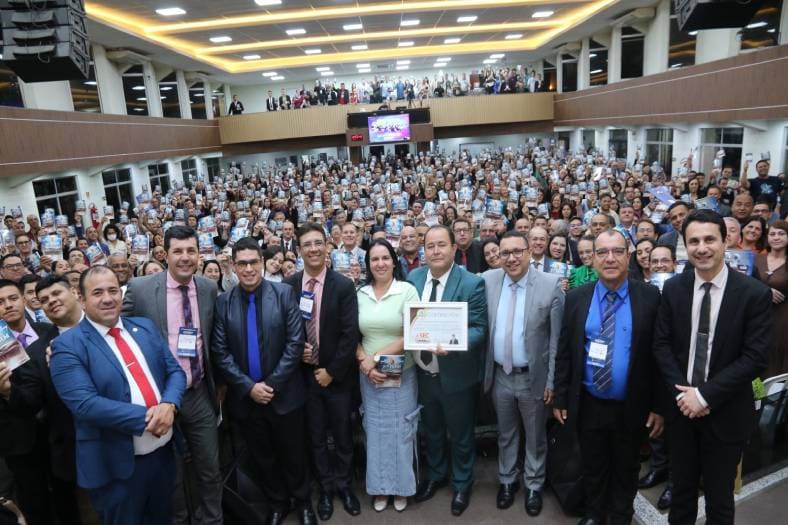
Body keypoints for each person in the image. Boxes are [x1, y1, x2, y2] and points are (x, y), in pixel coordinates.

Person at [653, 209, 774, 525]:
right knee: (681, 498)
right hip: (681, 413)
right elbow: (662, 345)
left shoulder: (753, 294)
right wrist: (684, 396)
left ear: (725, 242)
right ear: (685, 246)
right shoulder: (674, 288)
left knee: (720, 503)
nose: (701, 248)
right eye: (693, 241)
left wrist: (704, 396)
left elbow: (755, 358)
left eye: (709, 239)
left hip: (727, 414)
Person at [50, 266, 186, 525]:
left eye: (113, 290)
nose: (108, 298)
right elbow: (85, 405)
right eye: (97, 292)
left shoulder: (144, 327)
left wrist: (169, 404)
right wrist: (151, 417)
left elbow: (175, 373)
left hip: (163, 455)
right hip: (116, 467)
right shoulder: (67, 346)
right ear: (82, 298)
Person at [553, 230, 665, 525]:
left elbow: (660, 356)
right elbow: (565, 351)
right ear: (592, 259)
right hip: (589, 401)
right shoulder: (577, 298)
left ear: (628, 256)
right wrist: (561, 396)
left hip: (633, 403)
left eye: (617, 251)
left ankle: (620, 516)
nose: (610, 258)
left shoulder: (651, 297)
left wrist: (659, 406)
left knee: (626, 468)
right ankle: (594, 513)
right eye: (602, 252)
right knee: (593, 464)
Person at [122, 226, 223, 525]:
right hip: (158, 398)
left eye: (191, 251)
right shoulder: (140, 289)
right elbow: (113, 324)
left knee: (209, 468)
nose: (185, 257)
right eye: (178, 251)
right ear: (164, 254)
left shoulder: (207, 288)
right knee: (172, 475)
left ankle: (211, 520)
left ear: (199, 254)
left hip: (198, 393)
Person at [210, 237, 315, 525]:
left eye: (253, 262)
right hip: (247, 400)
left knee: (294, 455)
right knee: (263, 458)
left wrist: (272, 385)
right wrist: (248, 387)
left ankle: (304, 503)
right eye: (241, 263)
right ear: (233, 266)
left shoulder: (283, 294)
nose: (248, 268)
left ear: (262, 262)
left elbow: (296, 342)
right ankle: (277, 503)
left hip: (285, 394)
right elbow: (220, 351)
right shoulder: (223, 303)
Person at [481, 231, 564, 515]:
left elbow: (556, 340)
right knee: (505, 434)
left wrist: (552, 379)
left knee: (535, 435)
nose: (512, 258)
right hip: (500, 377)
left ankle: (533, 484)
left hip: (534, 378)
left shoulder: (551, 285)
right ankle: (507, 481)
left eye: (518, 251)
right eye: (505, 253)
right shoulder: (488, 280)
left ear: (529, 252)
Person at [408, 225, 487, 516]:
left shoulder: (471, 283)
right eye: (430, 246)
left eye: (442, 245)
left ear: (454, 249)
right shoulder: (413, 279)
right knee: (432, 430)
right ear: (424, 251)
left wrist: (455, 343)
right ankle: (438, 475)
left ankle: (462, 483)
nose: (436, 251)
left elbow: (480, 328)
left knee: (461, 433)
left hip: (456, 375)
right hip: (423, 374)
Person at [284, 223, 361, 521]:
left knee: (342, 435)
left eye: (318, 243)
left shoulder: (342, 285)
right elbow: (284, 330)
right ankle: (326, 489)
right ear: (299, 249)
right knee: (315, 437)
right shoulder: (288, 286)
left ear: (327, 245)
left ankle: (344, 486)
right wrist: (296, 348)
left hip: (337, 377)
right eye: (307, 244)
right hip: (304, 378)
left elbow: (349, 334)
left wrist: (331, 371)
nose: (314, 249)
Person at [9, 275, 87, 525]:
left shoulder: (109, 327)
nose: (51, 301)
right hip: (72, 452)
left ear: (75, 292)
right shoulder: (35, 350)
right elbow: (31, 401)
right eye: (44, 300)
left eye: (56, 294)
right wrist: (8, 390)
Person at [356, 239, 420, 512]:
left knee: (401, 432)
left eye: (385, 258)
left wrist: (376, 358)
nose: (380, 263)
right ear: (368, 264)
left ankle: (401, 488)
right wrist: (365, 363)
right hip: (368, 375)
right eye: (374, 259)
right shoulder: (359, 293)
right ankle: (380, 488)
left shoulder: (407, 290)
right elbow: (352, 335)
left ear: (394, 261)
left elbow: (415, 331)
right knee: (376, 431)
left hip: (402, 374)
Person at [0, 279, 52, 525]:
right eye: (0, 302)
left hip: (58, 432)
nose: (8, 305)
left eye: (12, 298)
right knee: (35, 502)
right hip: (20, 440)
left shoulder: (48, 331)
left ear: (23, 299)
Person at [756, 220, 788, 376]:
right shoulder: (756, 259)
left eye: (782, 233)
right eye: (772, 234)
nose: (776, 237)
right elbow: (745, 285)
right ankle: (756, 398)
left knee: (778, 361)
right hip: (758, 317)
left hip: (783, 320)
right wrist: (765, 291)